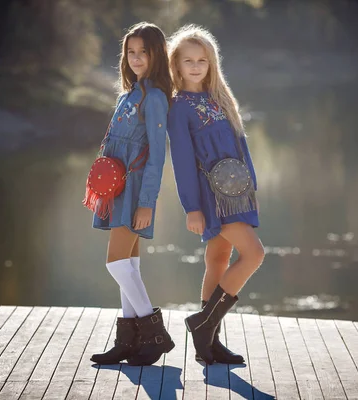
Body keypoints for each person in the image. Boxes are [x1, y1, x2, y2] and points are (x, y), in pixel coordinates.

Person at [167, 24, 265, 365]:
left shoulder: (219, 98)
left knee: (218, 259)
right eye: (188, 60)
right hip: (211, 197)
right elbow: (181, 160)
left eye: (202, 60)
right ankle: (204, 322)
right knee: (254, 254)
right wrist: (192, 207)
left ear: (212, 64)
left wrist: (251, 188)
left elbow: (241, 146)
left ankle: (208, 344)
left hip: (237, 193)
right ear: (176, 65)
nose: (195, 66)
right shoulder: (178, 107)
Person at [88, 22, 174, 366]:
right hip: (117, 188)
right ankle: (128, 341)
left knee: (117, 263)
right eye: (131, 52)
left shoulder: (154, 98)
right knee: (131, 264)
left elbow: (157, 153)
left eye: (144, 52)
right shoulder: (128, 94)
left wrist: (147, 203)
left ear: (157, 55)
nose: (136, 58)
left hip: (135, 189)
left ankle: (156, 335)